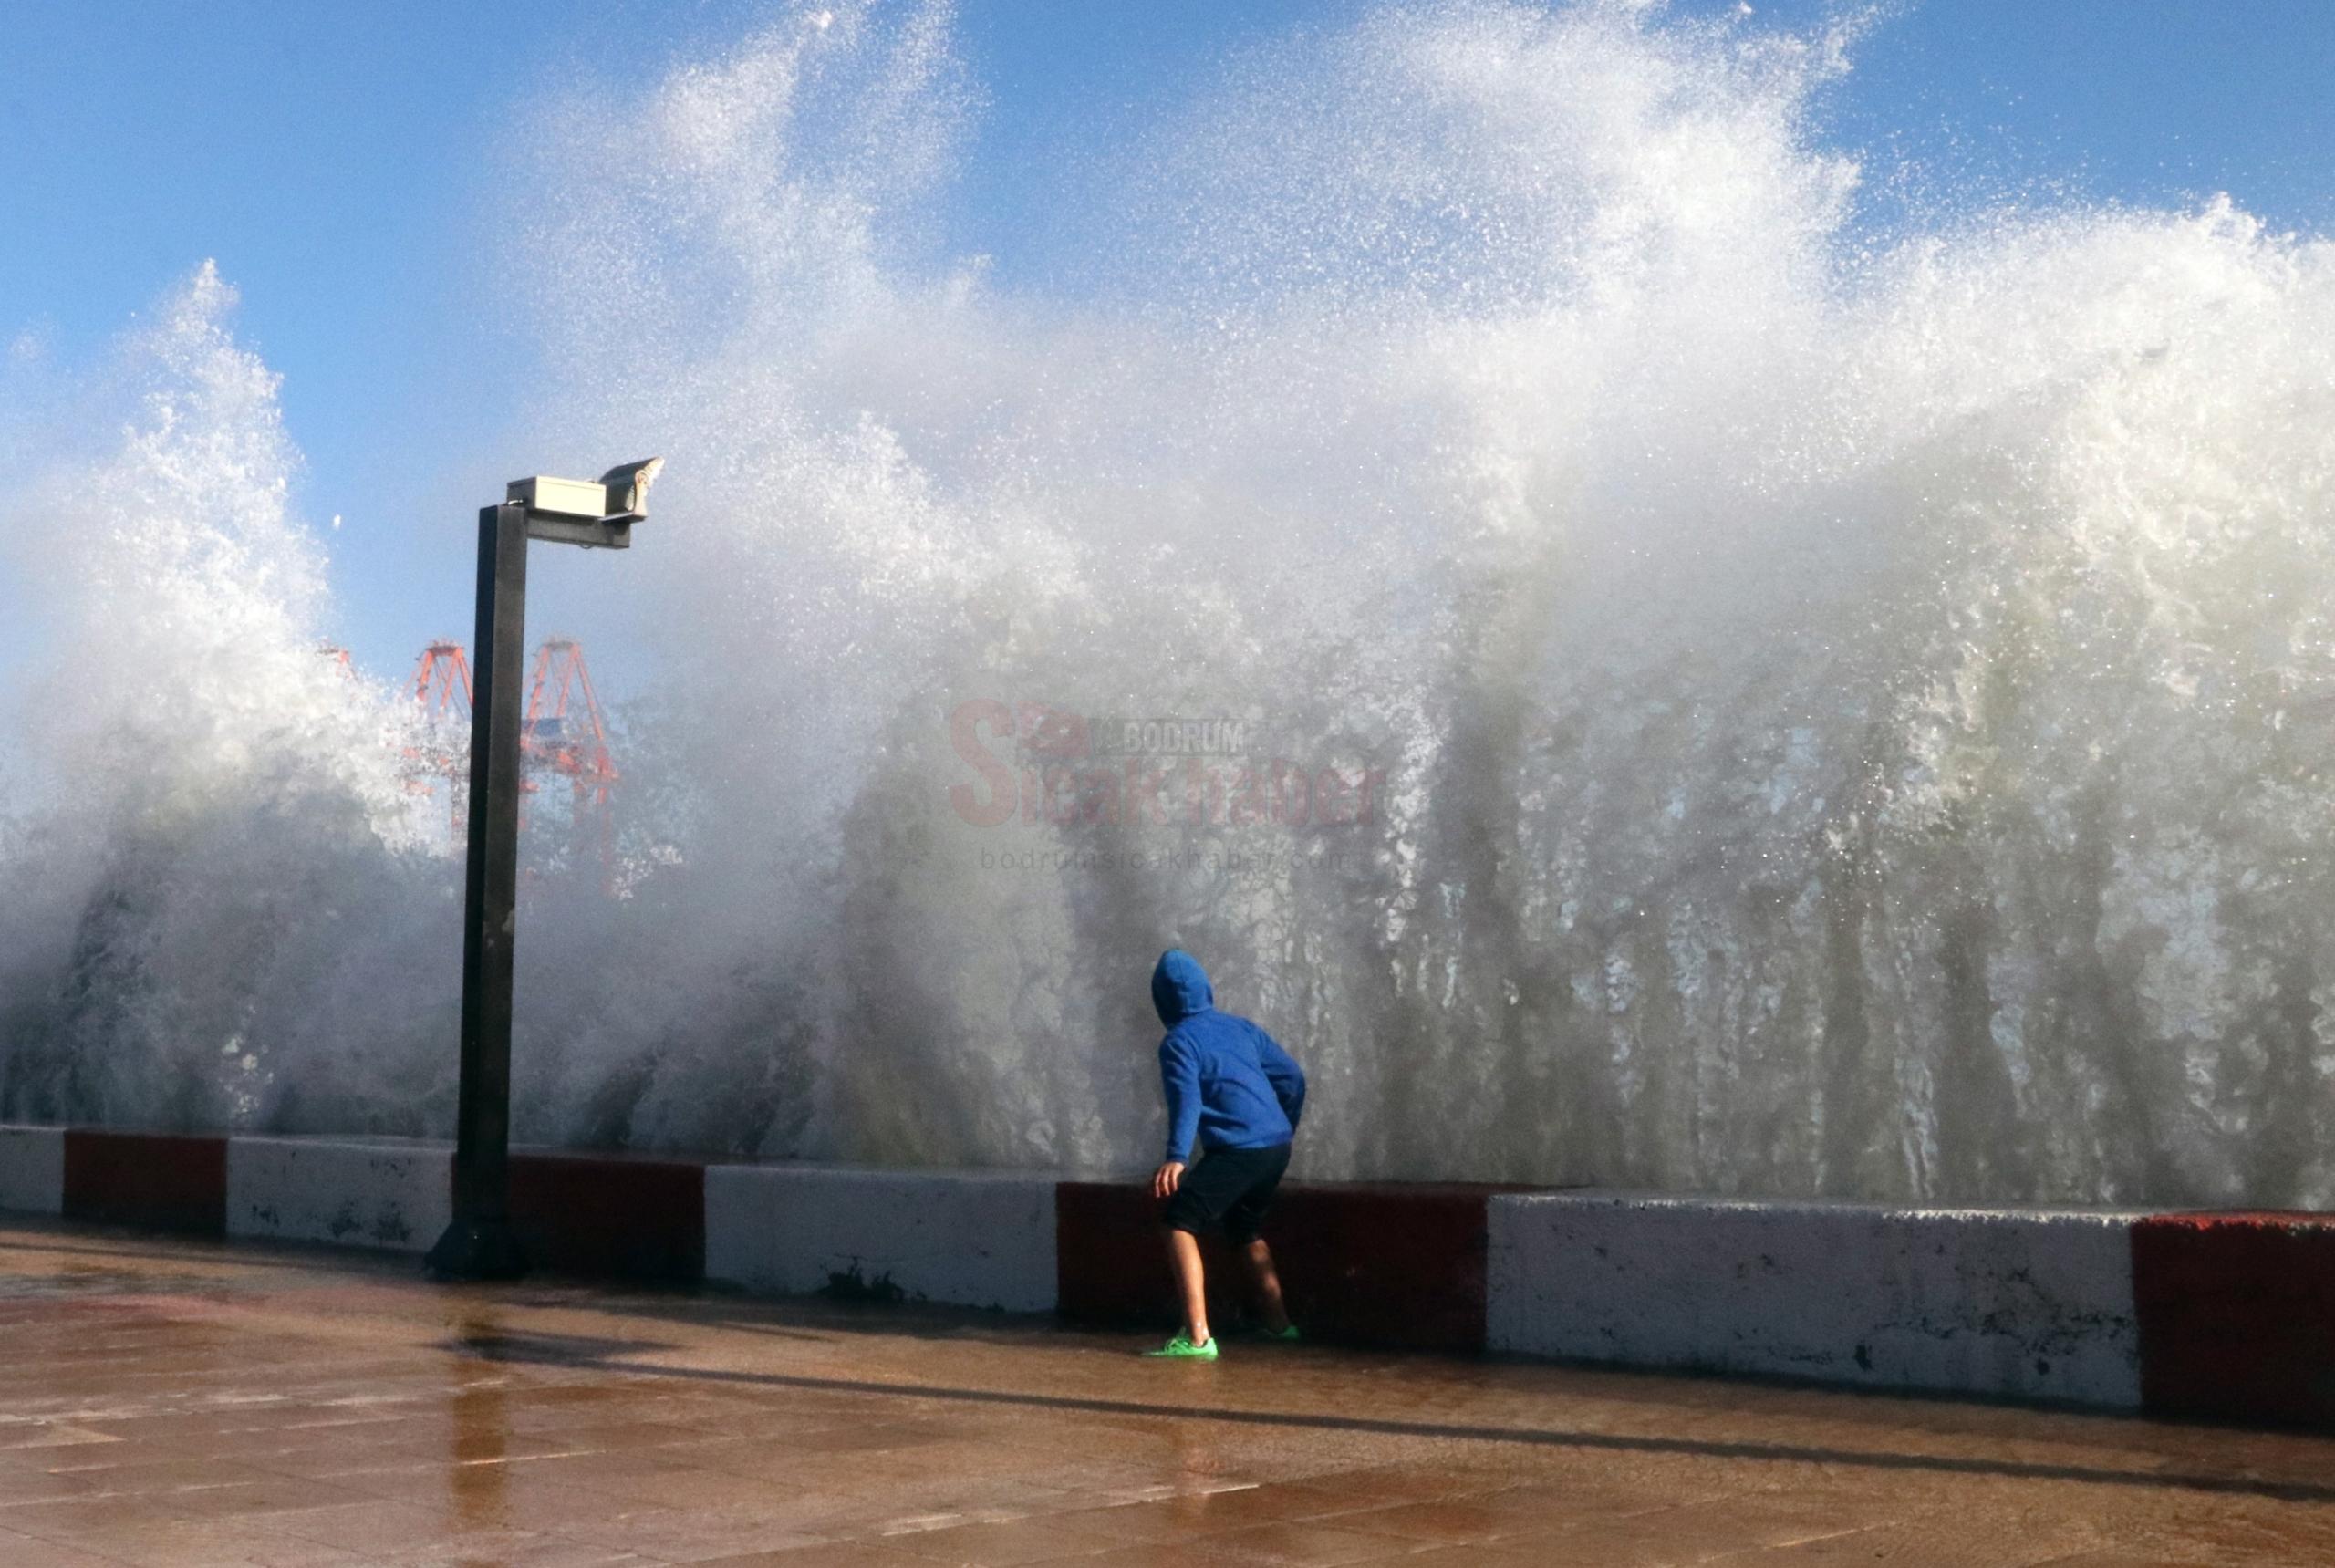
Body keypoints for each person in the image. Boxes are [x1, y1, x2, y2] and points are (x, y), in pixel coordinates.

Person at [1141, 948, 1306, 1360]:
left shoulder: (1178, 1042)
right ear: (1207, 990)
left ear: (1160, 1001)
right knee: (1245, 1229)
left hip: (1240, 1150)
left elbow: (1187, 1100)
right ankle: (1278, 1325)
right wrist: (1282, 1124)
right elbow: (1293, 1077)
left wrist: (1177, 1156)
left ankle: (1197, 1337)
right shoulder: (1241, 1028)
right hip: (1275, 1147)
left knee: (1179, 1221)